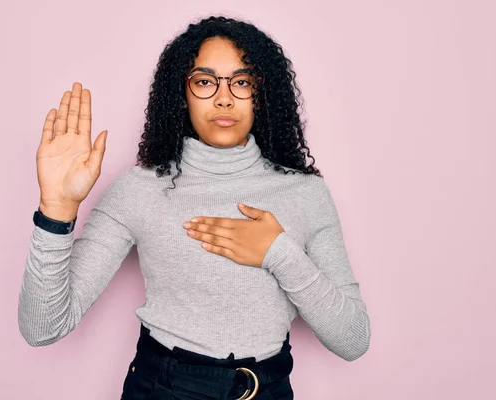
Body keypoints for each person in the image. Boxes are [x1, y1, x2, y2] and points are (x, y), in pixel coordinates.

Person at [19, 15, 371, 400]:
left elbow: (353, 340)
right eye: (205, 81)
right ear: (181, 93)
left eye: (241, 81)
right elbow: (42, 327)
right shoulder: (139, 190)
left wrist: (279, 253)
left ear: (261, 93)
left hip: (268, 388)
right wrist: (56, 209)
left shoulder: (305, 193)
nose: (224, 97)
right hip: (163, 387)